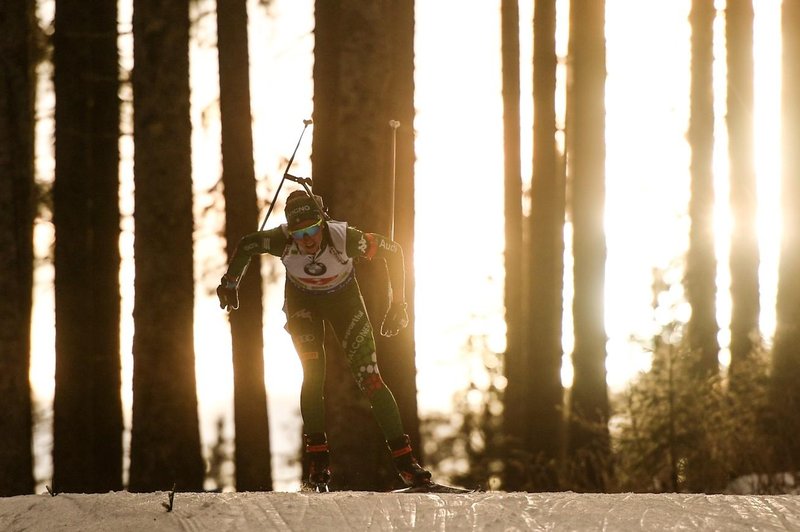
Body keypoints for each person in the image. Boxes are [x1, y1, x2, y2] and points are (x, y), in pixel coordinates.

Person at [217, 189, 431, 491]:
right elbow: (247, 244)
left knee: (371, 380)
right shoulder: (282, 240)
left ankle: (407, 465)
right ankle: (318, 463)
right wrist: (229, 283)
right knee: (313, 374)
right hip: (303, 303)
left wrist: (399, 305)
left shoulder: (344, 238)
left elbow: (393, 251)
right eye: (299, 232)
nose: (307, 239)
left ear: (322, 223)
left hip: (345, 302)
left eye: (313, 229)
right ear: (290, 231)